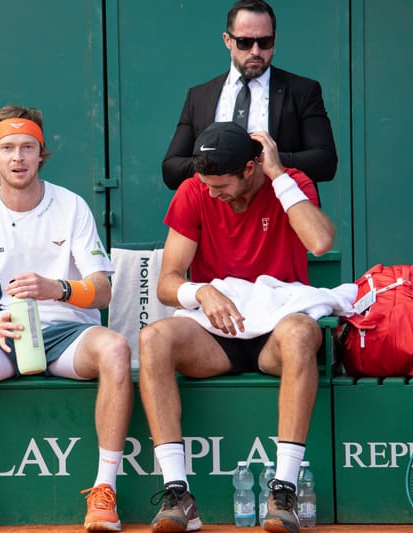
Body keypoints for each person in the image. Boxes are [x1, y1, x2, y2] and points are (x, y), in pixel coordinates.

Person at [0, 105, 133, 532]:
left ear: (42, 155)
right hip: (7, 337)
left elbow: (103, 290)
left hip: (70, 333)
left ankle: (104, 490)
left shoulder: (72, 206)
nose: (18, 157)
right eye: (7, 148)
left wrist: (57, 288)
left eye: (28, 148)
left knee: (115, 348)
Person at [139, 121, 335, 533]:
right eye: (206, 184)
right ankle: (178, 493)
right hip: (215, 332)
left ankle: (284, 490)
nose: (211, 193)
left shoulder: (290, 182)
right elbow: (168, 282)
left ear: (251, 168)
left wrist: (278, 174)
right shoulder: (194, 190)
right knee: (153, 337)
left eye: (220, 185)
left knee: (302, 333)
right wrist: (202, 292)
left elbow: (319, 242)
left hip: (275, 333)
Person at [161, 0, 337, 191]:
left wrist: (268, 162)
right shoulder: (199, 96)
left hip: (280, 212)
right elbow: (171, 169)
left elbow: (325, 162)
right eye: (244, 42)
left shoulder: (302, 91)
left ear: (275, 39)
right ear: (227, 41)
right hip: (218, 215)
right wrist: (218, 163)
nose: (255, 51)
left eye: (264, 42)